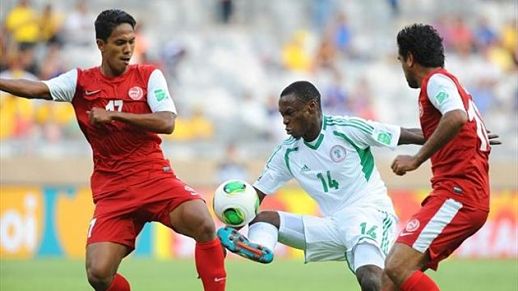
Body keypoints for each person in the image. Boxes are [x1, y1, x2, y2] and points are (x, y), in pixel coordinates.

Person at [0, 9, 226, 291]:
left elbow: (167, 122)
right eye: (120, 43)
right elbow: (37, 89)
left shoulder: (148, 76)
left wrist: (115, 116)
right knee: (98, 273)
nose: (128, 49)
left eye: (131, 41)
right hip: (113, 189)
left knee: (203, 223)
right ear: (101, 44)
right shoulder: (80, 82)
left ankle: (215, 271)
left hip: (154, 177)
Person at [218, 80, 427, 291]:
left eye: (289, 113)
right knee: (265, 220)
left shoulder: (346, 130)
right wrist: (230, 229)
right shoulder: (287, 153)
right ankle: (259, 248)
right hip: (333, 224)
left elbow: (406, 134)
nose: (285, 121)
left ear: (311, 107)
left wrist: (451, 132)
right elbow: (253, 198)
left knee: (371, 277)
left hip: (369, 213)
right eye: (282, 115)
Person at [382, 23, 495, 291]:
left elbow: (456, 117)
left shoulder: (436, 81)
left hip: (459, 194)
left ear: (410, 58)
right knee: (389, 280)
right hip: (457, 193)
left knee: (397, 267)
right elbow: (459, 120)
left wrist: (416, 159)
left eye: (400, 60)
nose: (402, 68)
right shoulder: (447, 85)